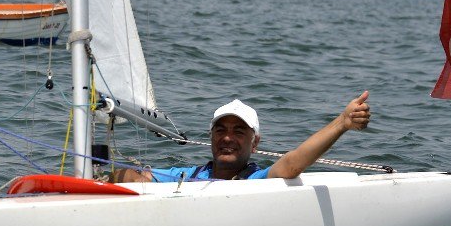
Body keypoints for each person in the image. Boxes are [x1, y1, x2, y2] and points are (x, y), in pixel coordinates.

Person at [110, 92, 371, 183]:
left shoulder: (256, 179)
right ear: (211, 137)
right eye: (221, 130)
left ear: (255, 142)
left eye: (239, 132)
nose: (227, 138)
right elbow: (139, 177)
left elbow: (292, 165)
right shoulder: (189, 174)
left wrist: (341, 123)